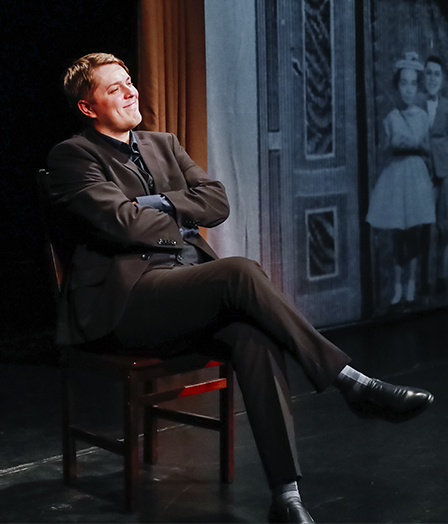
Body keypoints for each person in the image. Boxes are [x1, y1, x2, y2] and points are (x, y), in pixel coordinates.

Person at [48, 53, 434, 524]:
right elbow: (124, 223)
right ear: (88, 107)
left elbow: (217, 201)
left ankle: (286, 497)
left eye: (129, 82)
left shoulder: (164, 144)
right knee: (239, 272)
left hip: (184, 291)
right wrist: (177, 212)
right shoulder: (73, 156)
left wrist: (156, 203)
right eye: (115, 88)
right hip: (127, 304)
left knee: (253, 337)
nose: (131, 91)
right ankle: (351, 381)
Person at [366, 52, 435, 305]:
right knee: (398, 233)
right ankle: (397, 287)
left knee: (414, 233)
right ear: (397, 86)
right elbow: (383, 150)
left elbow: (428, 150)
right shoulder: (391, 118)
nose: (408, 89)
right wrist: (394, 143)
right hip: (396, 175)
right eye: (404, 83)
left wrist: (415, 144)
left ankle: (411, 285)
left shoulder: (423, 117)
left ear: (418, 87)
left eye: (413, 84)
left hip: (415, 175)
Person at [417, 55, 448, 294]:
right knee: (424, 226)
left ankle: (442, 276)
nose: (433, 78)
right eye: (429, 73)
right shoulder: (415, 103)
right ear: (423, 77)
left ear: (443, 79)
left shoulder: (447, 105)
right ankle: (424, 282)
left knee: (444, 226)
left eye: (437, 74)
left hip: (445, 171)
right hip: (421, 171)